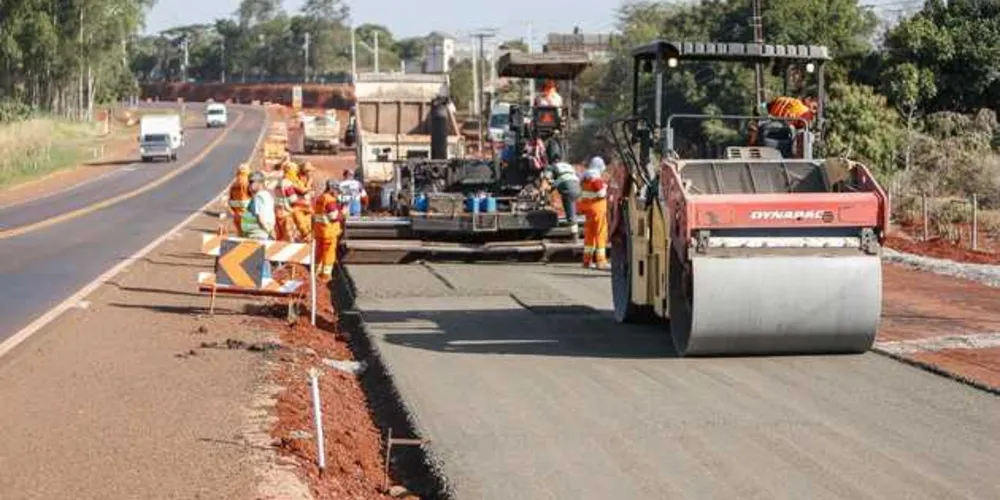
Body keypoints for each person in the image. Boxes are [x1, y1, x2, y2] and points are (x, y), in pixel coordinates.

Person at [579, 156, 610, 269]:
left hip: (588, 211)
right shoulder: (596, 179)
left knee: (589, 236)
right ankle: (601, 261)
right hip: (598, 210)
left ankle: (586, 261)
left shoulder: (584, 178)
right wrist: (607, 187)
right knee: (600, 234)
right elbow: (601, 194)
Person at [543, 148, 581, 239]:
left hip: (568, 187)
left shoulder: (552, 166)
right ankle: (573, 227)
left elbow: (546, 179)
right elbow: (566, 177)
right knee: (569, 204)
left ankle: (574, 234)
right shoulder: (567, 165)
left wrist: (546, 189)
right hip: (577, 185)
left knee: (570, 209)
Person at [312, 179, 344, 281]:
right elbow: (334, 217)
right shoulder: (330, 200)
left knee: (319, 252)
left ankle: (316, 271)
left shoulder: (320, 197)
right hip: (329, 232)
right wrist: (343, 213)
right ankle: (326, 275)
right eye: (336, 191)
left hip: (319, 231)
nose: (337, 193)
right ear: (331, 189)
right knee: (329, 253)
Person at [274, 161, 308, 241]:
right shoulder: (287, 184)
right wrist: (305, 204)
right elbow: (293, 200)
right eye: (295, 171)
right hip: (286, 214)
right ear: (291, 171)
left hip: (278, 213)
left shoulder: (279, 182)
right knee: (288, 238)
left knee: (280, 237)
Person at [241, 172, 276, 241]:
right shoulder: (267, 195)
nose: (249, 185)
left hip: (256, 234)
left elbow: (260, 218)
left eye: (251, 182)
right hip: (262, 232)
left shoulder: (258, 197)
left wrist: (269, 231)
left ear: (260, 183)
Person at [227, 163, 251, 236]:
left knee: (240, 235)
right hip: (247, 215)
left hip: (237, 215)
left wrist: (235, 212)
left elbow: (230, 201)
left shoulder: (234, 185)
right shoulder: (248, 184)